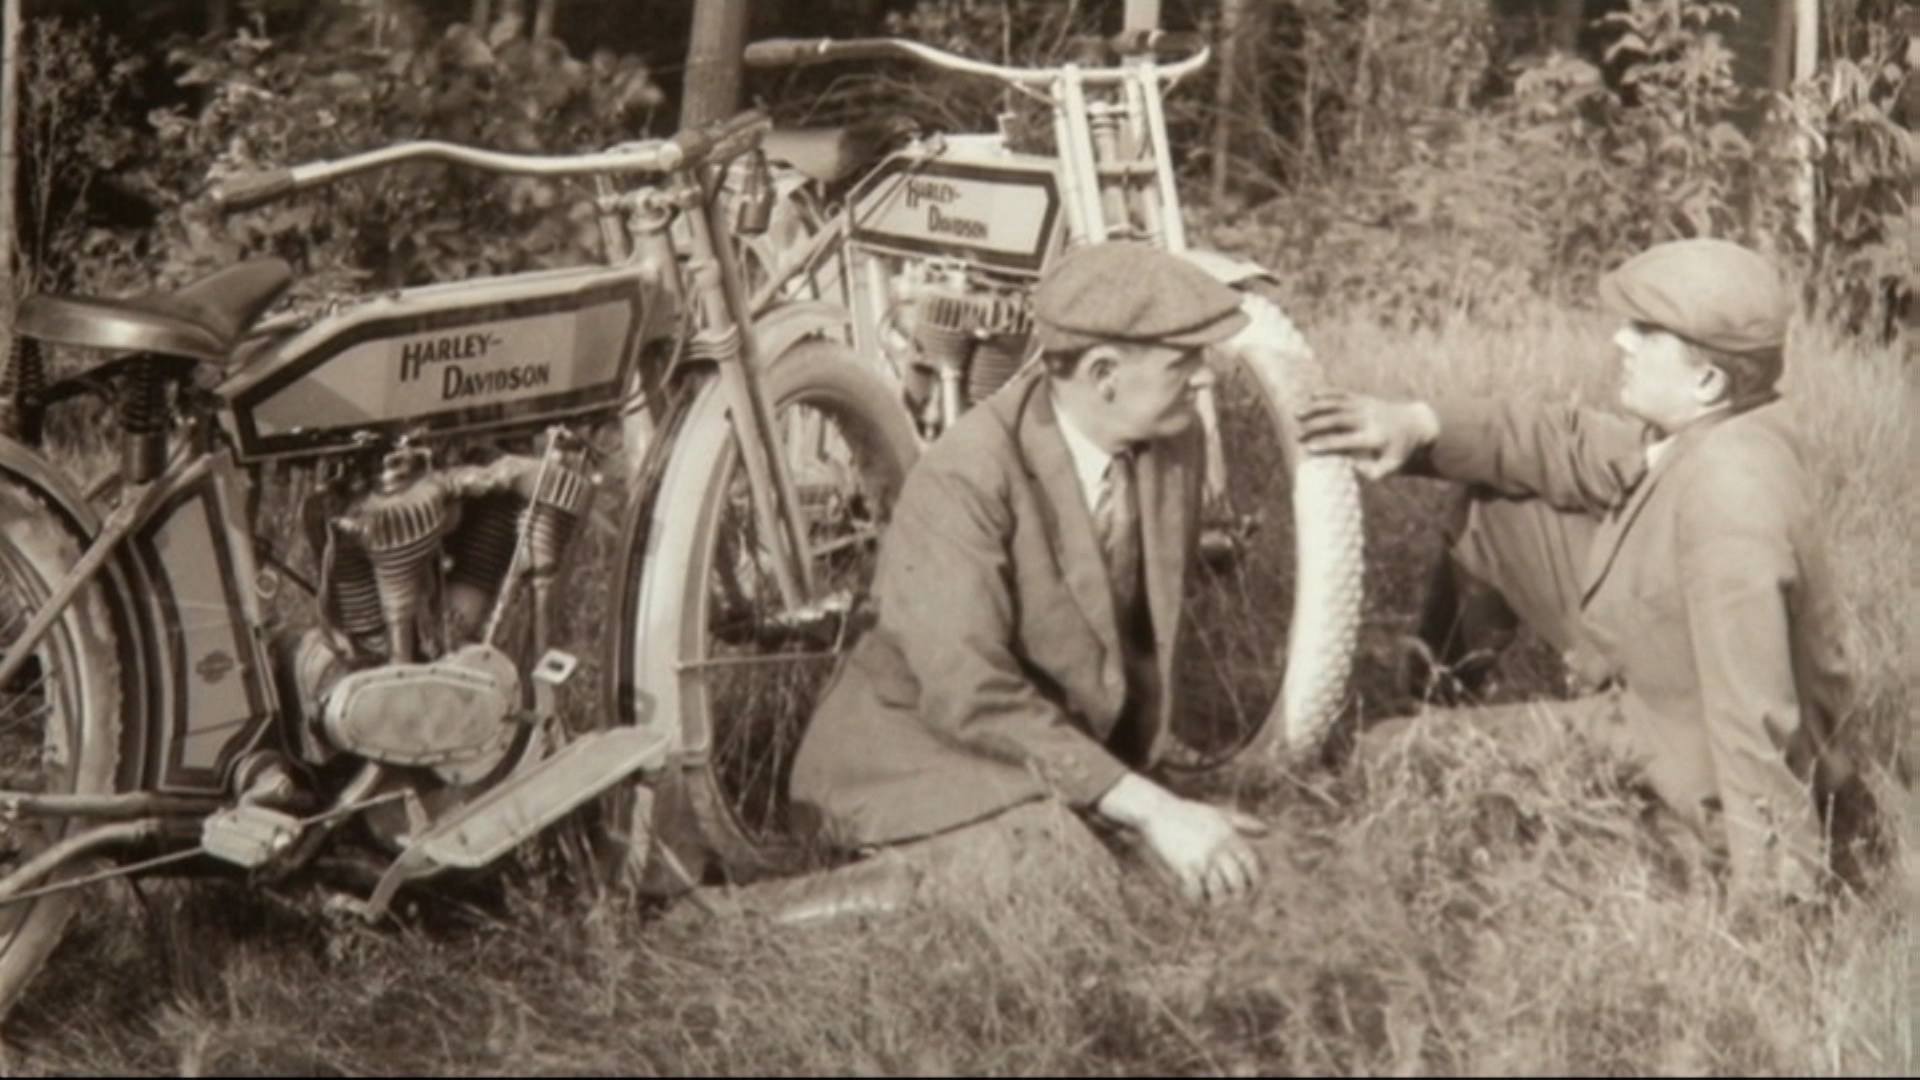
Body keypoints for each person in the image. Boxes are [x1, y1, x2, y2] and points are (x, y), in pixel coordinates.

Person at [1297, 237, 1880, 902]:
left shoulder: (1732, 499)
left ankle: (1431, 744)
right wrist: (1419, 424)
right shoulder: (1715, 426)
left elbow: (1756, 717)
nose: (1621, 343)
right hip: (1662, 661)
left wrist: (1777, 899)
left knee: (1384, 756)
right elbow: (1565, 443)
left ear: (1706, 379)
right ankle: (1434, 694)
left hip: (1679, 756)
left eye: (1645, 333)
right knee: (1496, 506)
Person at [758, 241, 1271, 919]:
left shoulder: (1171, 440)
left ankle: (1081, 823)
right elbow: (967, 691)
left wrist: (1139, 790)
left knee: (1232, 862)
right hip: (914, 752)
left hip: (1043, 745)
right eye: (1185, 362)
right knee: (1057, 867)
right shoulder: (965, 477)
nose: (1205, 379)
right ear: (1104, 373)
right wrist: (1146, 805)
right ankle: (750, 920)